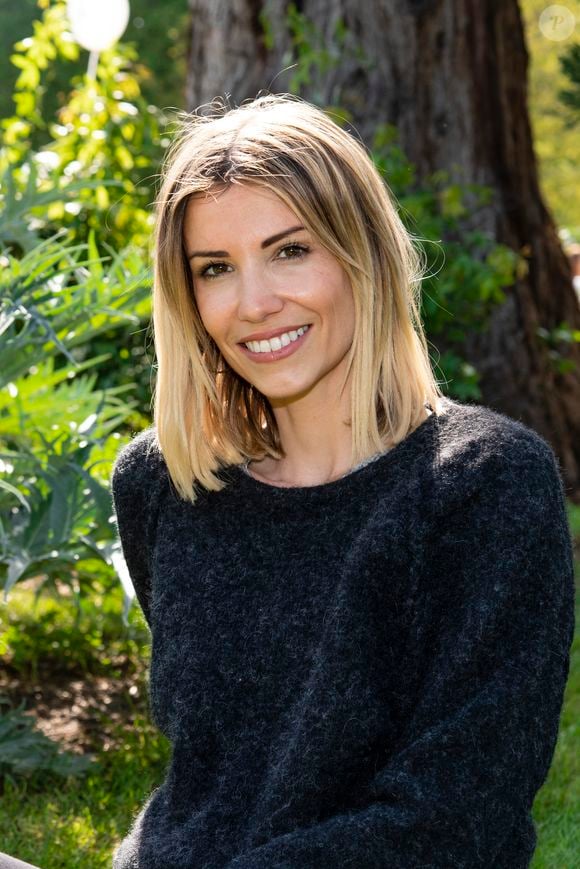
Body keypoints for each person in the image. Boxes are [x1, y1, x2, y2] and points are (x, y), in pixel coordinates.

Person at [105, 93, 575, 869]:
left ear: (361, 253)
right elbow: (214, 779)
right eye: (215, 269)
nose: (254, 303)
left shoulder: (484, 487)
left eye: (290, 250)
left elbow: (456, 814)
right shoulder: (163, 485)